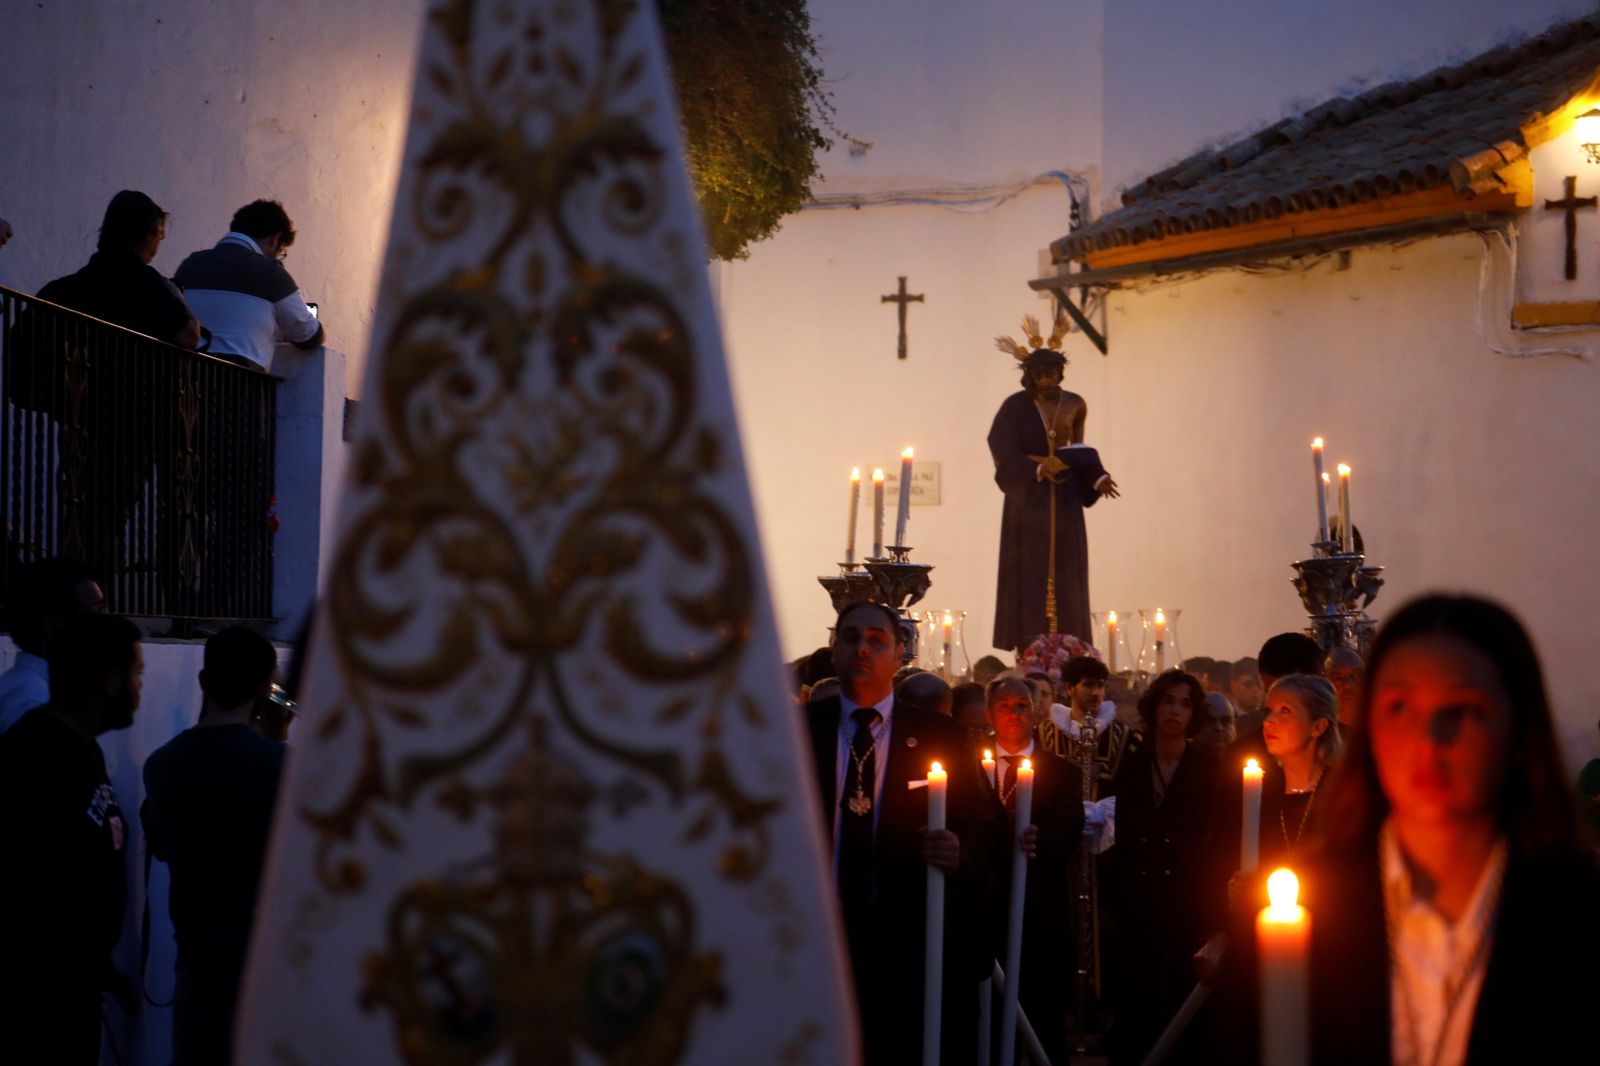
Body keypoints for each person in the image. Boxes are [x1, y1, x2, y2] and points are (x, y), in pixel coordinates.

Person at [1224, 594, 1600, 1062]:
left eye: (1463, 710)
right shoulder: (1307, 906)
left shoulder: (1574, 915)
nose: (1429, 739)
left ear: (1519, 730)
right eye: (1400, 707)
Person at [802, 601, 992, 1063]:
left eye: (876, 639)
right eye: (850, 638)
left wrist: (958, 849)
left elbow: (982, 823)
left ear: (900, 653)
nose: (861, 649)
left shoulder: (939, 736)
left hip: (905, 936)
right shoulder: (801, 732)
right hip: (818, 934)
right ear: (834, 647)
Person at [0, 614, 143, 1064]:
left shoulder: (83, 749)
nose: (141, 686)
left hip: (75, 994)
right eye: (136, 672)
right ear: (107, 681)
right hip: (40, 1006)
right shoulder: (35, 756)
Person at [142, 627, 284, 1063]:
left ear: (204, 682)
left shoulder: (164, 764)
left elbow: (163, 845)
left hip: (199, 961)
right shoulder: (281, 767)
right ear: (266, 687)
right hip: (265, 964)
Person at [1102, 670, 1218, 1065]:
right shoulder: (1130, 768)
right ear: (1155, 707)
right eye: (1169, 700)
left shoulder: (1209, 771)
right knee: (1137, 1005)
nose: (1175, 710)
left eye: (1185, 704)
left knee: (1186, 1008)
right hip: (1138, 906)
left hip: (1189, 903)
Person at [988, 315, 1118, 649]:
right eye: (1040, 374)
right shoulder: (1014, 407)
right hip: (1027, 502)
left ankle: (1069, 646)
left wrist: (1098, 477)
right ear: (1029, 376)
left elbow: (1077, 450)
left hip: (1065, 499)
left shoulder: (1074, 403)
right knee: (1029, 572)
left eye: (1053, 372)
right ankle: (1031, 646)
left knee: (1068, 573)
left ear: (1061, 372)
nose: (1047, 379)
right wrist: (1034, 470)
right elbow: (1002, 446)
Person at [983, 675, 1085, 1063]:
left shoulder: (1061, 772)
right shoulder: (970, 765)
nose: (1014, 714)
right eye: (1005, 706)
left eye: (1022, 705)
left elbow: (1070, 827)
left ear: (1036, 711)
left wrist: (1039, 838)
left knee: (1043, 1022)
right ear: (991, 713)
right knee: (988, 1025)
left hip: (1039, 914)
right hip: (985, 911)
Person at [38, 190, 201, 349]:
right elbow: (189, 336)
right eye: (160, 234)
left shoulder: (58, 291)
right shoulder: (147, 285)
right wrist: (175, 294)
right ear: (146, 234)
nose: (159, 242)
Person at [174, 199, 324, 370]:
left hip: (187, 379)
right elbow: (309, 335)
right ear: (275, 240)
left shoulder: (190, 264)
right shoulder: (271, 273)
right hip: (240, 384)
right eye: (280, 251)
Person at [0, 557, 105, 734]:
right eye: (94, 612)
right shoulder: (33, 704)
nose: (106, 626)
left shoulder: (28, 691)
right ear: (53, 623)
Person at [1323, 645, 1364, 727]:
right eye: (1338, 678)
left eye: (1354, 676)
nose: (1348, 684)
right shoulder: (1318, 733)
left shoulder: (1382, 728)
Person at [1228, 656, 1263, 723]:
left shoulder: (1271, 719)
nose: (1255, 690)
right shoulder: (1223, 718)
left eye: (1259, 684)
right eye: (1248, 684)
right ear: (1233, 686)